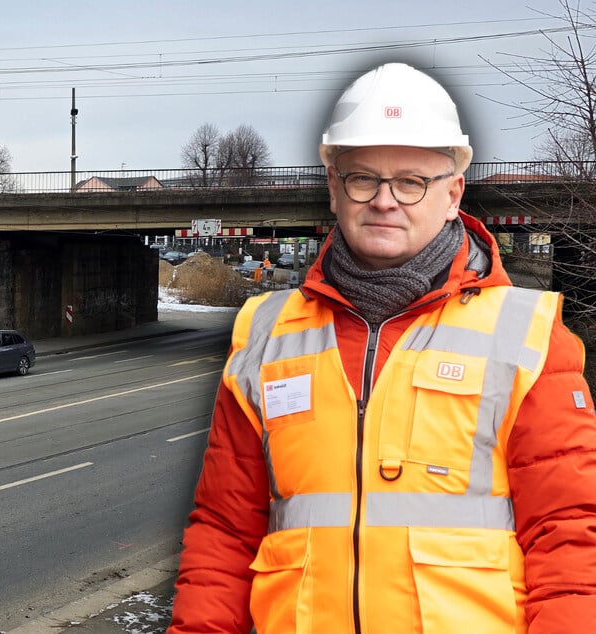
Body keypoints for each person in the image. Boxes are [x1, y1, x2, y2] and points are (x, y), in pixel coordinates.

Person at [169, 62, 596, 633]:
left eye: (412, 180)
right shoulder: (265, 337)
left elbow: (570, 537)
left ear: (453, 193)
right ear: (333, 189)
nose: (385, 200)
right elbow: (223, 532)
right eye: (363, 178)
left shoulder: (530, 336)